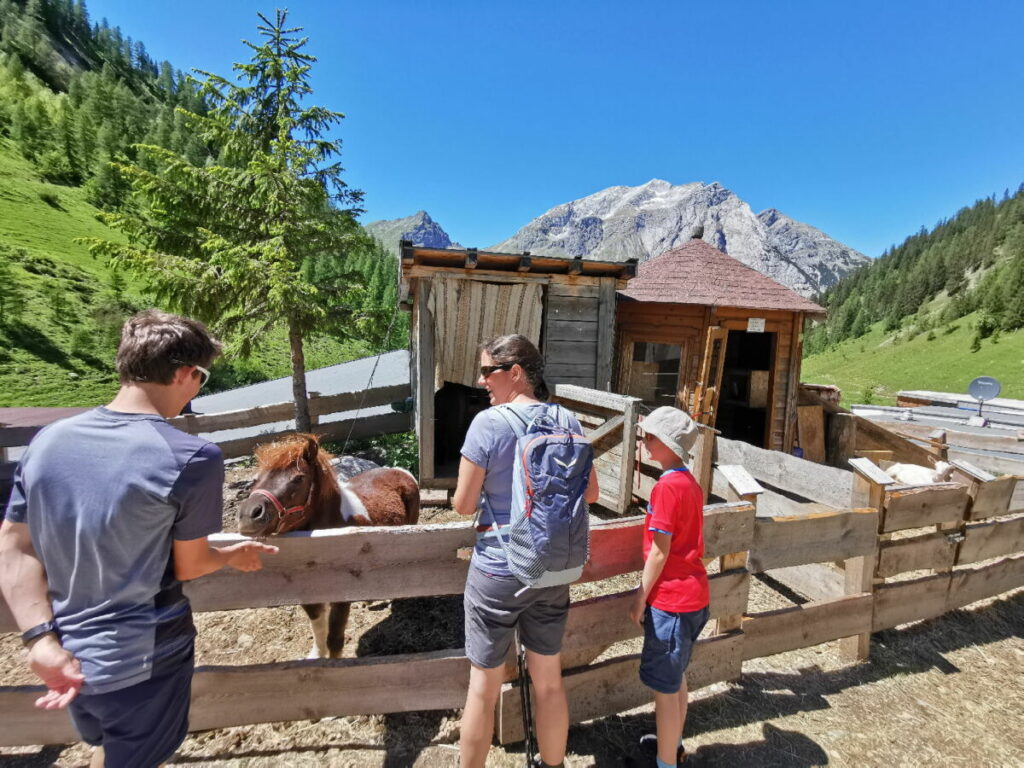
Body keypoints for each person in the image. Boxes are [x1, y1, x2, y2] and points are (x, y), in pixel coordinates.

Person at [0, 309, 278, 768]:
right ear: (187, 373)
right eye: (202, 378)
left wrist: (40, 641)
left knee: (104, 748)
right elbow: (189, 565)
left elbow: (14, 544)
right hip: (141, 664)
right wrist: (230, 555)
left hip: (66, 661)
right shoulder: (192, 457)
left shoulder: (48, 442)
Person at [453, 334, 599, 768]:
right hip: (554, 569)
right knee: (549, 683)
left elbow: (462, 504)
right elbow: (589, 493)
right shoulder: (567, 420)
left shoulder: (488, 423)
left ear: (514, 372)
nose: (481, 381)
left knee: (483, 685)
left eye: (486, 371)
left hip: (500, 569)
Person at [627, 406, 709, 768]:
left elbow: (659, 552)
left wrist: (640, 596)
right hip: (694, 596)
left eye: (650, 437)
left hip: (672, 601)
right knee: (676, 678)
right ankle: (671, 744)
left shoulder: (666, 488)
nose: (644, 443)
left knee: (664, 687)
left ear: (669, 444)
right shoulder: (689, 483)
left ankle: (665, 762)